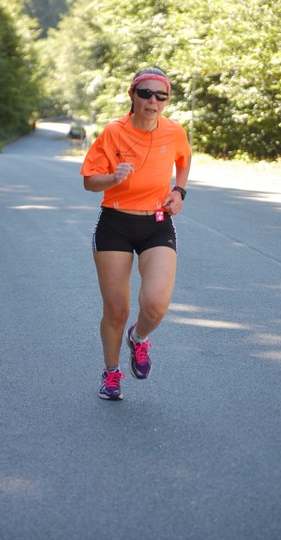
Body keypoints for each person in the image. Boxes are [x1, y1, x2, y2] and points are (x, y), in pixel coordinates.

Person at [80, 67, 191, 400]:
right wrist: (113, 178)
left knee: (155, 304)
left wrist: (179, 191)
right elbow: (88, 181)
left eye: (161, 96)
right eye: (145, 93)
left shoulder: (174, 131)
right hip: (115, 223)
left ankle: (139, 338)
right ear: (132, 95)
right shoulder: (115, 132)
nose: (153, 101)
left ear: (167, 101)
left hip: (156, 224)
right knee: (116, 310)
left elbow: (184, 160)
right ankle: (112, 374)